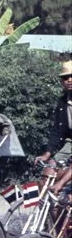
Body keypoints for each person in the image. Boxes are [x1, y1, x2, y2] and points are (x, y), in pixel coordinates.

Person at [35, 60, 72, 195]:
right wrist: (47, 154)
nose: (69, 80)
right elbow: (57, 130)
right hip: (69, 144)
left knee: (61, 182)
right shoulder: (62, 102)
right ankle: (49, 215)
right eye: (65, 77)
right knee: (47, 176)